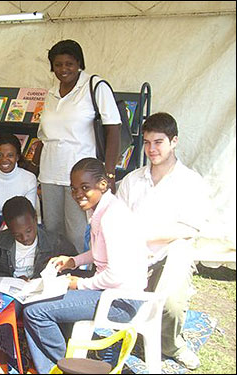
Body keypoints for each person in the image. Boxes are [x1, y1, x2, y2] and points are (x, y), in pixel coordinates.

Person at [23, 157, 148, 374]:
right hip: (114, 292)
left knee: (35, 311)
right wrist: (73, 261)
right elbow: (101, 252)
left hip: (120, 301)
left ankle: (63, 367)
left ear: (103, 184)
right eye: (74, 189)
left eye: (84, 188)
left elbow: (115, 275)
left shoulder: (111, 217)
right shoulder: (103, 209)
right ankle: (63, 361)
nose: (78, 194)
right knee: (46, 295)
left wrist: (79, 284)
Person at [116, 112, 210, 370]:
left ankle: (172, 344)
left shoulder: (190, 182)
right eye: (146, 142)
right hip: (134, 254)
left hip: (169, 252)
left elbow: (188, 228)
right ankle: (133, 331)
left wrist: (145, 238)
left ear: (174, 141)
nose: (151, 149)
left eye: (158, 142)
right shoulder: (132, 181)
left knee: (171, 301)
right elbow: (118, 222)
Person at [37, 39, 121, 253]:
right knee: (52, 231)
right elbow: (43, 136)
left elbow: (114, 129)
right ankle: (56, 275)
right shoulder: (50, 93)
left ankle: (80, 276)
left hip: (80, 176)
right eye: (58, 65)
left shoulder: (94, 86)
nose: (63, 69)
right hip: (49, 174)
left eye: (69, 64)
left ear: (79, 63)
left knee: (76, 232)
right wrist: (34, 169)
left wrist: (109, 174)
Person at [0, 195, 76, 365]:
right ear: (8, 228)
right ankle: (4, 349)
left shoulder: (54, 241)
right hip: (13, 291)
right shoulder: (0, 241)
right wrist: (11, 279)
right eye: (18, 235)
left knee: (40, 309)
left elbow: (73, 264)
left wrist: (51, 277)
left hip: (39, 291)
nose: (25, 238)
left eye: (29, 231)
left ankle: (49, 353)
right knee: (7, 308)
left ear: (35, 218)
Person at [0, 134, 38, 250]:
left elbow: (28, 214)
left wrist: (11, 233)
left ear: (17, 157)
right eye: (0, 155)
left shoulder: (29, 178)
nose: (4, 160)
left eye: (10, 155)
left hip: (22, 225)